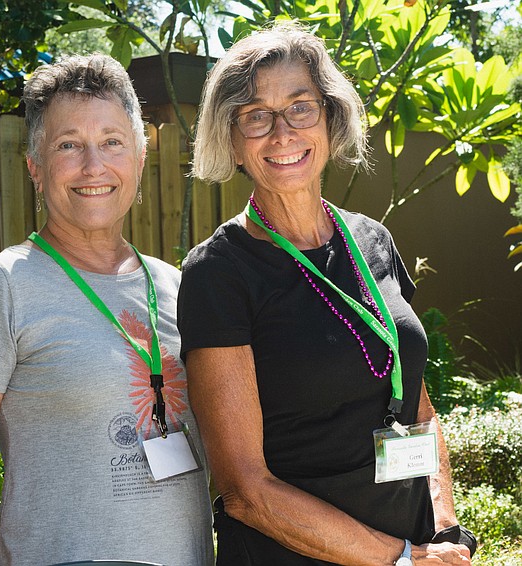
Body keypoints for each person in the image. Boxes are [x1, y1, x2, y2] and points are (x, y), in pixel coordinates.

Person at [178, 21, 477, 566]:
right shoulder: (217, 273)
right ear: (232, 140)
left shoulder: (373, 239)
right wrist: (402, 557)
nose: (282, 132)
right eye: (255, 115)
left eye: (301, 106)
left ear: (331, 118)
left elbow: (417, 403)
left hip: (411, 545)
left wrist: (444, 529)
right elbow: (245, 489)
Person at [0, 53, 215, 566]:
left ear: (140, 158)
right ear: (35, 169)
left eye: (112, 142)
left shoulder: (178, 287)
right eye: (69, 146)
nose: (94, 166)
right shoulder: (3, 286)